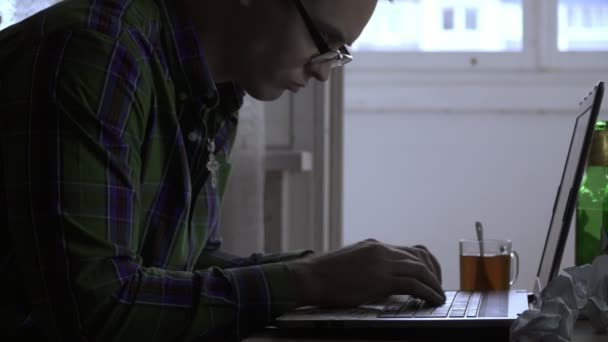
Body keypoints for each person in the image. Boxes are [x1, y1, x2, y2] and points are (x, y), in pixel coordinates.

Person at [0, 0, 445, 340]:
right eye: (321, 41)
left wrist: (334, 272)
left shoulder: (213, 90)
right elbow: (95, 309)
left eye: (338, 53)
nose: (323, 73)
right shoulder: (94, 56)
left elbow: (187, 264)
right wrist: (310, 281)